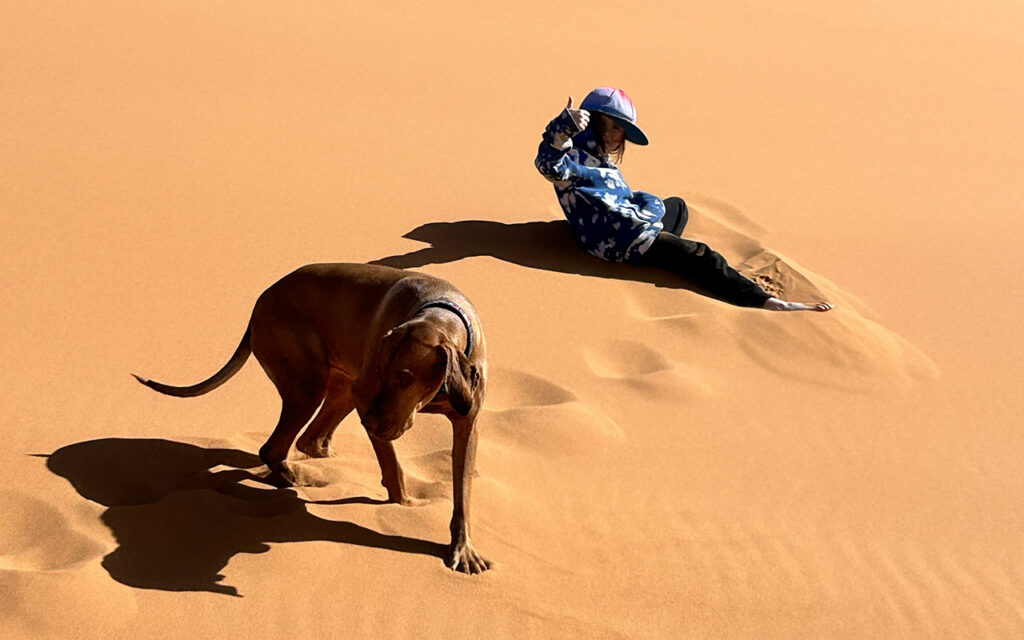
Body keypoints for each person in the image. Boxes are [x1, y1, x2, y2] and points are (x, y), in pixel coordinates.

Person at [534, 86, 833, 312]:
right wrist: (561, 131)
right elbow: (550, 166)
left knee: (677, 208)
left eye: (621, 130)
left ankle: (663, 251)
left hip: (622, 228)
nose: (615, 136)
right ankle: (766, 302)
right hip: (623, 240)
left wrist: (640, 205)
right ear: (591, 121)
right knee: (701, 256)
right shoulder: (572, 155)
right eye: (611, 125)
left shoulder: (600, 159)